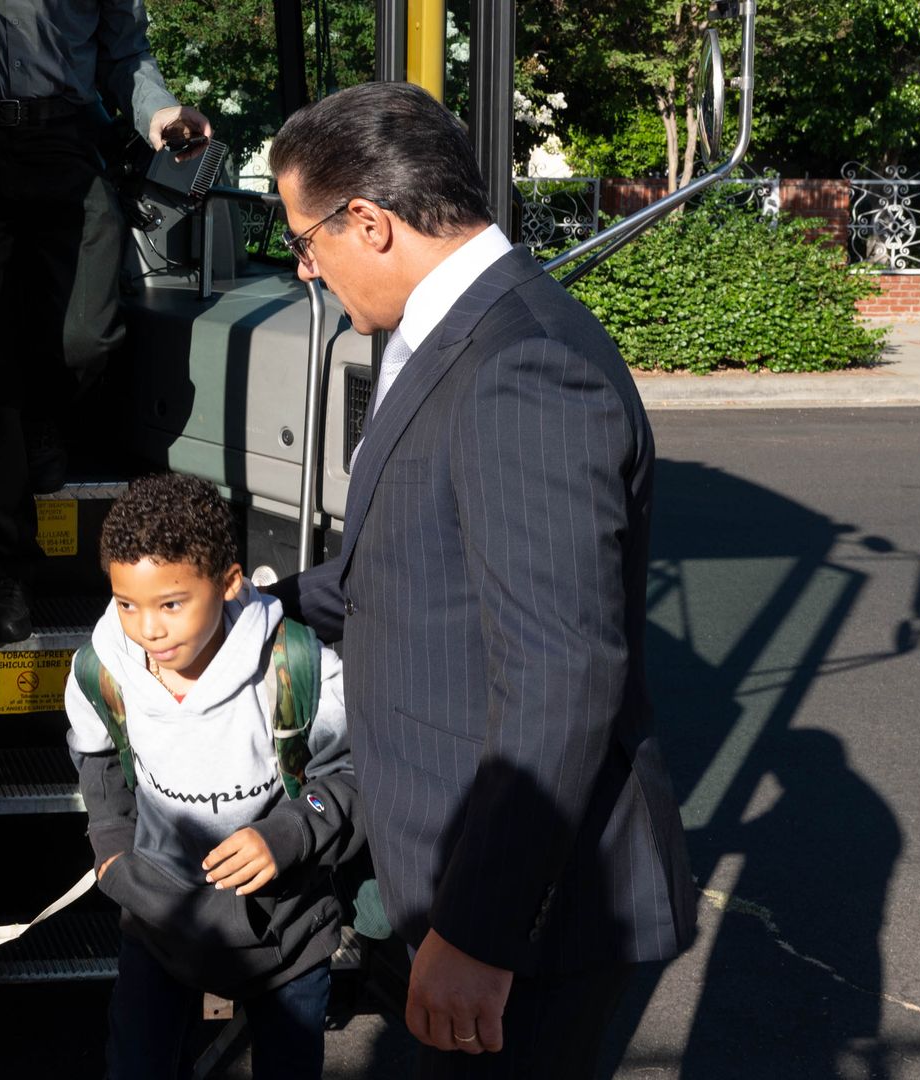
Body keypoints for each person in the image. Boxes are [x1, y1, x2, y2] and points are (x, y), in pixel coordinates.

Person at [263, 81, 699, 1077]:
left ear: (368, 222)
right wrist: (265, 608)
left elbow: (560, 675)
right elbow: (416, 570)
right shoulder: (449, 334)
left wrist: (479, 934)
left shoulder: (521, 366)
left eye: (308, 242)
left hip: (521, 922)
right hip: (455, 880)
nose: (309, 269)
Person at [65, 473, 358, 1080]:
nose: (148, 629)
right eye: (127, 604)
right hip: (159, 925)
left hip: (286, 938)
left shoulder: (298, 667)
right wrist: (113, 852)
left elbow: (353, 776)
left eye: (171, 603)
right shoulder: (102, 669)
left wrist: (289, 834)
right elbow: (96, 761)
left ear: (228, 583)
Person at [0, 0, 212, 643]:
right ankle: (5, 570)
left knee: (90, 330)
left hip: (66, 140)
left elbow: (124, 54)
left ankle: (43, 417)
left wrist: (159, 110)